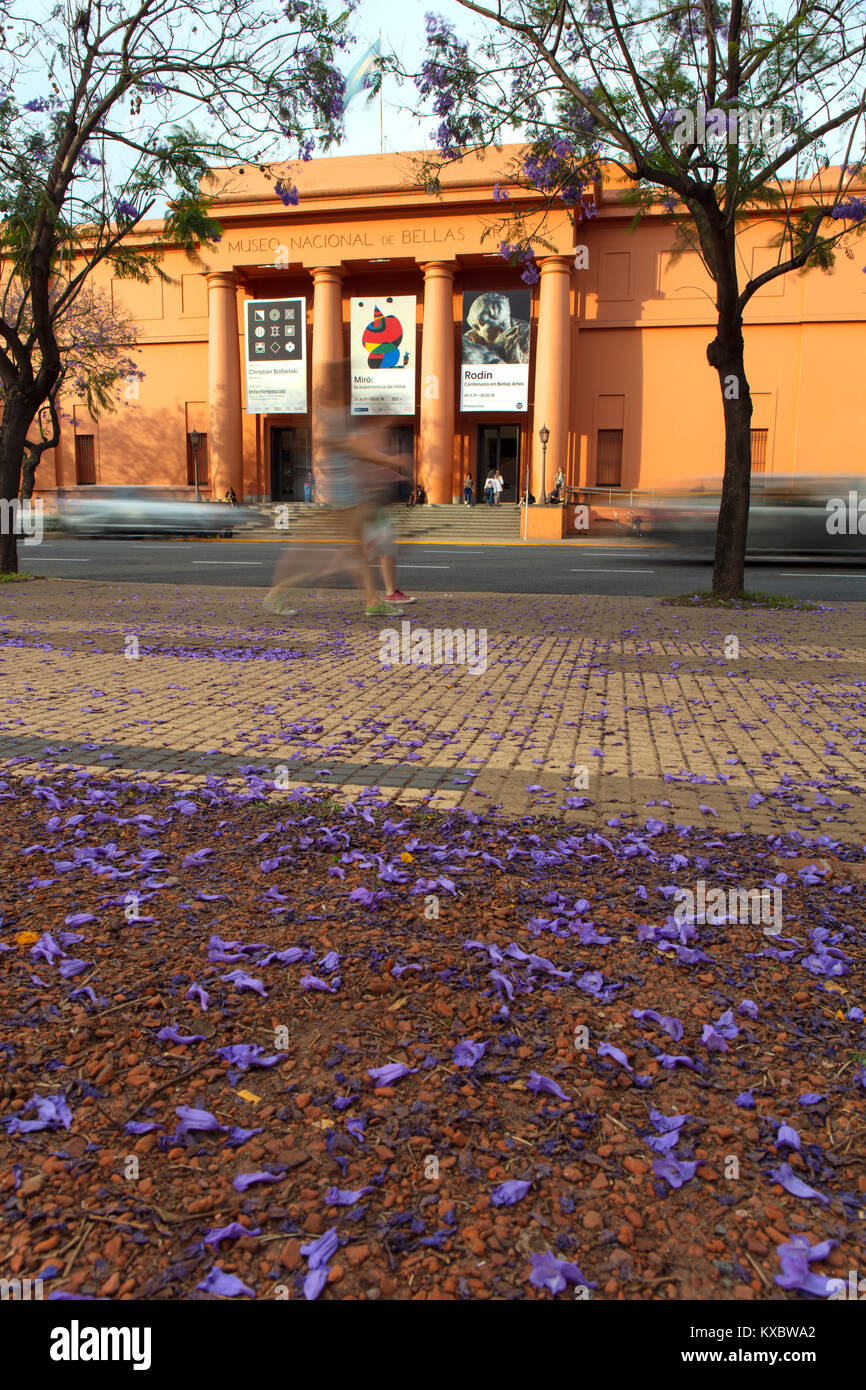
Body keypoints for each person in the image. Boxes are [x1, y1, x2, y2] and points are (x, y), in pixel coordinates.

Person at [263, 360, 410, 618]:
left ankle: (372, 599)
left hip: (346, 489)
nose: (351, 385)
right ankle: (279, 592)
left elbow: (344, 445)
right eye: (347, 380)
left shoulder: (334, 410)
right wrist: (388, 460)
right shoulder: (333, 413)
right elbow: (350, 447)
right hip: (342, 492)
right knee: (326, 550)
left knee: (353, 549)